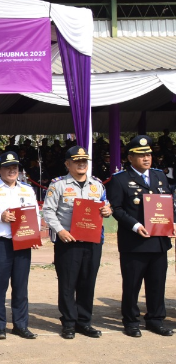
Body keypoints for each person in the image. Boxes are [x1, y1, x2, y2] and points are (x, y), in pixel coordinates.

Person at [40, 146, 112, 339]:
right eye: (77, 161)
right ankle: (69, 322)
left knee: (88, 282)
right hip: (68, 240)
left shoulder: (97, 185)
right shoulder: (58, 185)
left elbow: (105, 205)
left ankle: (84, 322)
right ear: (67, 164)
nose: (81, 164)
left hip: (93, 240)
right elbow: (48, 211)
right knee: (67, 283)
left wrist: (107, 211)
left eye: (84, 161)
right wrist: (60, 231)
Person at [106, 135, 175, 337]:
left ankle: (155, 319)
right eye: (141, 155)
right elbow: (117, 209)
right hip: (134, 241)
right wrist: (135, 226)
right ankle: (131, 321)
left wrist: (173, 222)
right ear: (130, 157)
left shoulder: (159, 176)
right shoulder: (120, 179)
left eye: (149, 155)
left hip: (159, 240)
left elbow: (168, 202)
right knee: (132, 284)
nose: (146, 158)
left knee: (157, 283)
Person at [0, 152, 42, 340]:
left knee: (21, 286)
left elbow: (35, 214)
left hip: (23, 242)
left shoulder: (27, 190)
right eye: (7, 167)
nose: (12, 170)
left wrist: (35, 236)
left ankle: (20, 325)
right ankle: (0, 326)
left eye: (15, 167)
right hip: (0, 243)